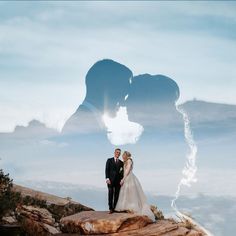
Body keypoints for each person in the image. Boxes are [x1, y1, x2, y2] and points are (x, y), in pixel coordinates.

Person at [115, 151, 155, 221]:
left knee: (131, 193)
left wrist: (123, 179)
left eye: (123, 155)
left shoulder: (129, 161)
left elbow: (127, 171)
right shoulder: (125, 161)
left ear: (126, 155)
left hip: (129, 178)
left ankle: (132, 208)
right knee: (125, 192)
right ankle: (126, 207)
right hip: (126, 177)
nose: (122, 156)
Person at [105, 148, 124, 213]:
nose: (118, 154)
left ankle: (115, 208)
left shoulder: (121, 163)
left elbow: (122, 172)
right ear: (114, 152)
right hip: (110, 180)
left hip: (118, 181)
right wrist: (107, 178)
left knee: (116, 195)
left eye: (119, 153)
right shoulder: (109, 160)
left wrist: (121, 180)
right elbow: (107, 169)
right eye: (117, 152)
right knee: (110, 194)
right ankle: (110, 208)